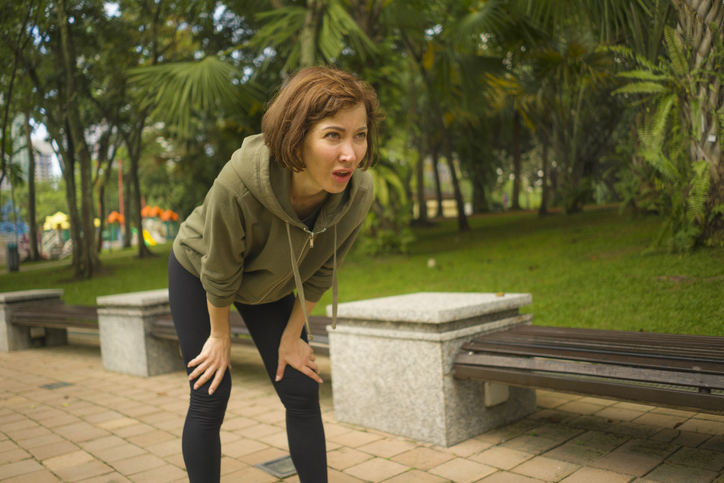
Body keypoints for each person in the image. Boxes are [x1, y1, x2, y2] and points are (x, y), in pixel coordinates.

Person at [167, 66, 383, 483]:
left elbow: (323, 271)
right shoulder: (239, 183)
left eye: (359, 135)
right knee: (211, 392)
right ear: (296, 135)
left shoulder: (358, 193)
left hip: (270, 283)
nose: (350, 154)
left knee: (301, 387)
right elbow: (220, 268)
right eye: (333, 135)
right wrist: (220, 335)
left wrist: (292, 336)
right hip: (201, 270)